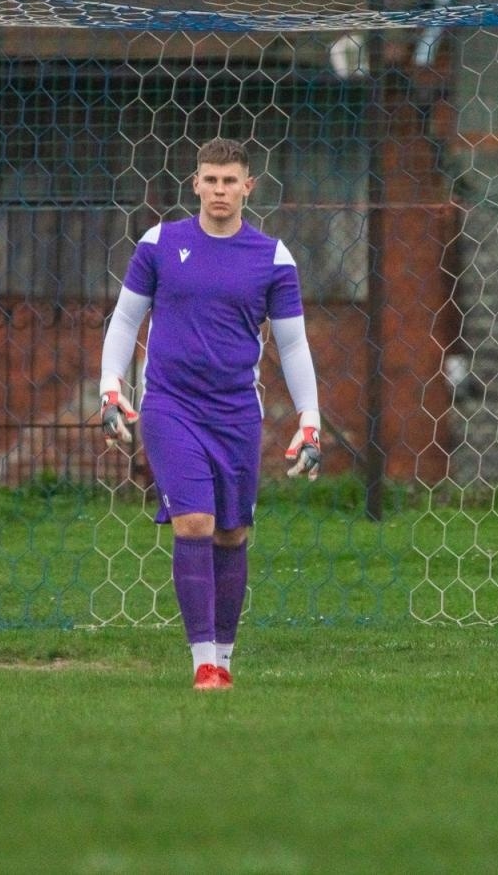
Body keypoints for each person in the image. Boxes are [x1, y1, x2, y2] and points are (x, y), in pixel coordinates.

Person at [97, 137, 321, 690]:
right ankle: (203, 663)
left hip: (237, 412)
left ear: (248, 186)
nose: (220, 190)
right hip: (170, 405)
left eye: (230, 181)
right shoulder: (160, 243)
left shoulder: (273, 258)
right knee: (193, 521)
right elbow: (126, 320)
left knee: (231, 533)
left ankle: (224, 655)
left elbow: (292, 347)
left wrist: (309, 418)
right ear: (195, 184)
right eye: (210, 180)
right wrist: (111, 386)